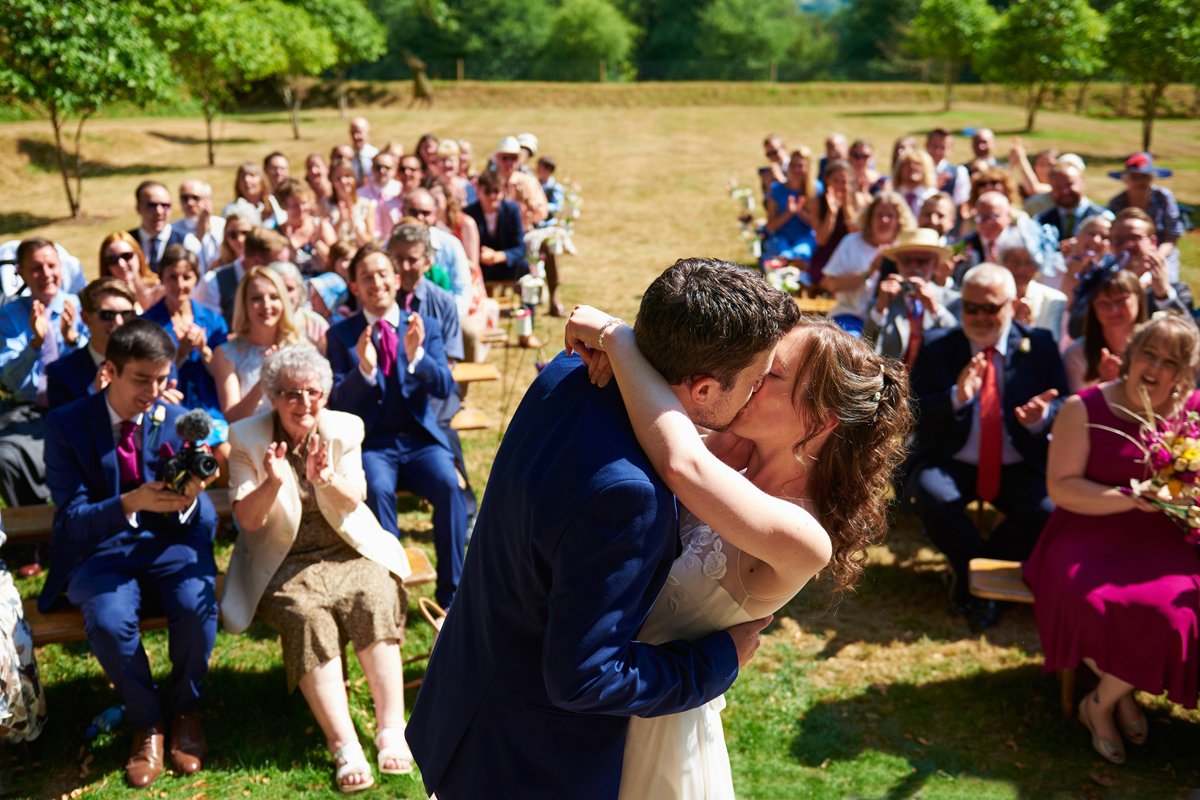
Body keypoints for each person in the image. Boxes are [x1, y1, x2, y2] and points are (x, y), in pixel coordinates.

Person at [405, 258, 797, 800]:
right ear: (703, 389)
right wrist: (714, 663)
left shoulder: (568, 372)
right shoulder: (629, 495)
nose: (757, 396)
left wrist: (617, 336)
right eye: (755, 382)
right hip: (525, 761)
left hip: (466, 693)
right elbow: (585, 676)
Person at [562, 306, 912, 798]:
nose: (748, 375)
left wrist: (618, 339)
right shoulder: (727, 455)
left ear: (821, 418)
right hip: (591, 693)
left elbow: (680, 462)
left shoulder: (802, 536)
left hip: (652, 725)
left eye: (771, 374)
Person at [223, 345, 414, 792]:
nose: (303, 403)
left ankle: (391, 730)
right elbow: (247, 522)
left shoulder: (344, 428)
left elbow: (356, 499)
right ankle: (343, 743)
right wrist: (272, 482)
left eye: (313, 392)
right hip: (284, 563)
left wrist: (325, 478)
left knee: (375, 596)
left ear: (324, 394)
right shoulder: (246, 437)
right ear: (272, 395)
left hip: (346, 550)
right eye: (291, 393)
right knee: (308, 618)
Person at [38, 319, 219, 788]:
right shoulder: (66, 424)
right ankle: (147, 721)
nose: (154, 392)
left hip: (170, 543)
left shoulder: (175, 421)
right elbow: (71, 519)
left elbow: (206, 523)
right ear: (109, 371)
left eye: (162, 379)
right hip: (100, 550)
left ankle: (184, 709)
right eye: (142, 379)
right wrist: (129, 503)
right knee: (110, 622)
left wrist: (192, 498)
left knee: (196, 610)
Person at [1024, 313, 1200, 765]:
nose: (1157, 368)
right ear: (1130, 355)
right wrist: (1129, 497)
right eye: (1150, 354)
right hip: (1088, 534)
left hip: (1170, 540)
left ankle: (1104, 698)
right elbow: (1061, 487)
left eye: (1173, 361)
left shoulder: (1194, 411)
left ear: (1186, 371)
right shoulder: (1084, 408)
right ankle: (1111, 701)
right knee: (1116, 605)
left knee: (1179, 609)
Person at [909, 264, 1068, 629]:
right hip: (954, 457)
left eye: (990, 308)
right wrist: (955, 398)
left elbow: (1063, 401)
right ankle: (978, 578)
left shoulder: (1039, 343)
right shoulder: (939, 346)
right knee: (933, 495)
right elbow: (913, 409)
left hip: (1018, 461)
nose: (980, 317)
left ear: (1012, 305)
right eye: (971, 308)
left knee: (1048, 509)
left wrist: (1041, 418)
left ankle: (973, 572)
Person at [326, 244, 465, 609]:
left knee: (449, 484)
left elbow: (446, 387)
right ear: (354, 287)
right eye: (366, 277)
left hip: (420, 441)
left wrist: (416, 355)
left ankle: (453, 598)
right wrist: (364, 371)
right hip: (374, 444)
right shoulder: (341, 335)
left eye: (383, 274)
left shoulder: (424, 326)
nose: (376, 283)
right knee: (378, 490)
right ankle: (390, 596)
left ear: (397, 279)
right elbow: (336, 402)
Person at [0, 238, 88, 508]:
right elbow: (7, 380)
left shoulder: (83, 308)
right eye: (36, 268)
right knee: (4, 457)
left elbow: (101, 365)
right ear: (21, 273)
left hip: (79, 406)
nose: (46, 274)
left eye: (52, 265)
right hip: (28, 408)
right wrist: (34, 344)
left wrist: (73, 340)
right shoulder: (11, 315)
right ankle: (33, 527)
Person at [142, 246, 230, 449]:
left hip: (209, 408)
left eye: (186, 277)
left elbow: (222, 374)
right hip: (168, 409)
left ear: (196, 278)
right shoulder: (149, 323)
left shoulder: (212, 321)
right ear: (162, 278)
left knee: (223, 453)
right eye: (172, 277)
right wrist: (179, 355)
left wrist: (203, 350)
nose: (179, 285)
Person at [1067, 208, 1193, 339]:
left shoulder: (1176, 291)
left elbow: (1191, 337)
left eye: (1134, 238)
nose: (1127, 245)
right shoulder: (1097, 285)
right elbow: (1075, 330)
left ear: (1153, 242)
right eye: (1118, 240)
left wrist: (1163, 295)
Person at [211, 266, 305, 424]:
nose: (266, 305)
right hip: (248, 444)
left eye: (274, 297)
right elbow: (233, 417)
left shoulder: (300, 348)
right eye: (256, 298)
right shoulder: (226, 353)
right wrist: (265, 379)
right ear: (244, 304)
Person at [820, 191, 914, 335]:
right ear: (870, 218)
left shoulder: (905, 249)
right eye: (879, 215)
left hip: (892, 323)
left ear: (899, 220)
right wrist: (869, 272)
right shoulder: (852, 242)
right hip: (851, 318)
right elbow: (830, 284)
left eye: (890, 216)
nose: (884, 220)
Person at [863, 228, 959, 367]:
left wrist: (935, 310)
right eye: (906, 261)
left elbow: (959, 345)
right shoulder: (886, 299)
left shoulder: (952, 299)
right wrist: (880, 309)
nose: (914, 267)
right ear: (897, 263)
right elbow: (866, 349)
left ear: (936, 264)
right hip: (892, 383)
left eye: (922, 261)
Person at [46, 277, 138, 408]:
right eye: (107, 315)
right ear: (85, 317)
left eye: (127, 314)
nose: (119, 322)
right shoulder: (62, 374)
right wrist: (98, 400)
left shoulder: (152, 365)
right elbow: (64, 426)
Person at [1062, 270, 1146, 394]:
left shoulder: (1160, 346)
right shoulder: (1077, 355)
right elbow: (1077, 409)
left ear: (1138, 298)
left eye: (1120, 301)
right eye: (1104, 304)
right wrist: (1104, 383)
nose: (1114, 310)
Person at [1106, 152, 1184, 281]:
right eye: (1135, 177)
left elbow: (1172, 235)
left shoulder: (1163, 197)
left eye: (1145, 176)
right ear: (1126, 179)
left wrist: (1156, 258)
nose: (1140, 181)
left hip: (1161, 253)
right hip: (1125, 253)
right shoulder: (1116, 203)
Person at [996, 231, 1068, 344]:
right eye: (1015, 261)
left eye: (1028, 262)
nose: (1021, 269)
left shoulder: (1054, 300)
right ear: (1003, 263)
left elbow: (1051, 347)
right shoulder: (992, 296)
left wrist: (1027, 328)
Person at [763, 147, 818, 266]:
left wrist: (800, 212)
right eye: (793, 165)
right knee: (782, 254)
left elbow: (817, 225)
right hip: (781, 238)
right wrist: (788, 213)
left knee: (800, 255)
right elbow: (770, 226)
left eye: (800, 166)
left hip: (805, 238)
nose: (796, 170)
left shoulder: (815, 189)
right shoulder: (776, 189)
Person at [128, 181, 198, 274]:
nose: (159, 211)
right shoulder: (127, 243)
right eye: (152, 205)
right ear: (138, 208)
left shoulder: (188, 242)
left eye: (165, 206)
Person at [809, 159, 859, 287]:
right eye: (835, 181)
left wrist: (847, 207)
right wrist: (832, 213)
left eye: (844, 182)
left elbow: (856, 233)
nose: (840, 186)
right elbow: (821, 240)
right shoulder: (818, 202)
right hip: (827, 253)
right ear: (827, 181)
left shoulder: (857, 200)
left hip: (849, 253)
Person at [1034, 162, 1110, 243]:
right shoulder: (1040, 221)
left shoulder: (1103, 217)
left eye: (1069, 184)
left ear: (1083, 183)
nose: (1065, 191)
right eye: (1058, 187)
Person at [274, 179, 336, 276]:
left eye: (304, 203)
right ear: (284, 206)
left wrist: (317, 244)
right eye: (295, 206)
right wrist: (290, 250)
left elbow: (335, 261)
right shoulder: (277, 234)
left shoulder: (320, 226)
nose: (301, 209)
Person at [271, 260, 329, 353]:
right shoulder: (260, 323)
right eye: (278, 288)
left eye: (290, 289)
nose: (284, 295)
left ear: (300, 290)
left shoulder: (316, 324)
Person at [99, 231, 162, 312]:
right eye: (112, 260)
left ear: (138, 255)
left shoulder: (160, 288)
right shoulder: (106, 300)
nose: (121, 264)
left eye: (126, 256)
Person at [173, 180, 226, 273]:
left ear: (208, 200)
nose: (190, 203)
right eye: (185, 198)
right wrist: (200, 233)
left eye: (195, 198)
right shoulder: (174, 230)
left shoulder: (222, 225)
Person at [328, 162, 376, 247]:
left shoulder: (366, 205)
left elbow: (370, 241)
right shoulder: (326, 206)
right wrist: (340, 221)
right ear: (332, 182)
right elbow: (330, 242)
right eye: (338, 178)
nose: (343, 181)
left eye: (347, 176)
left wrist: (355, 226)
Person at [223, 162, 276, 227]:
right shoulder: (231, 210)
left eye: (252, 175)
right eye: (242, 177)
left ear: (262, 181)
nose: (246, 180)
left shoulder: (274, 205)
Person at [891, 149, 938, 218]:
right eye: (907, 164)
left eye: (917, 164)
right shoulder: (892, 196)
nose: (912, 167)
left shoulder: (933, 197)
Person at [349, 117, 378, 186]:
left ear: (368, 132)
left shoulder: (376, 155)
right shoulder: (347, 156)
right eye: (352, 133)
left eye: (359, 132)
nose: (355, 136)